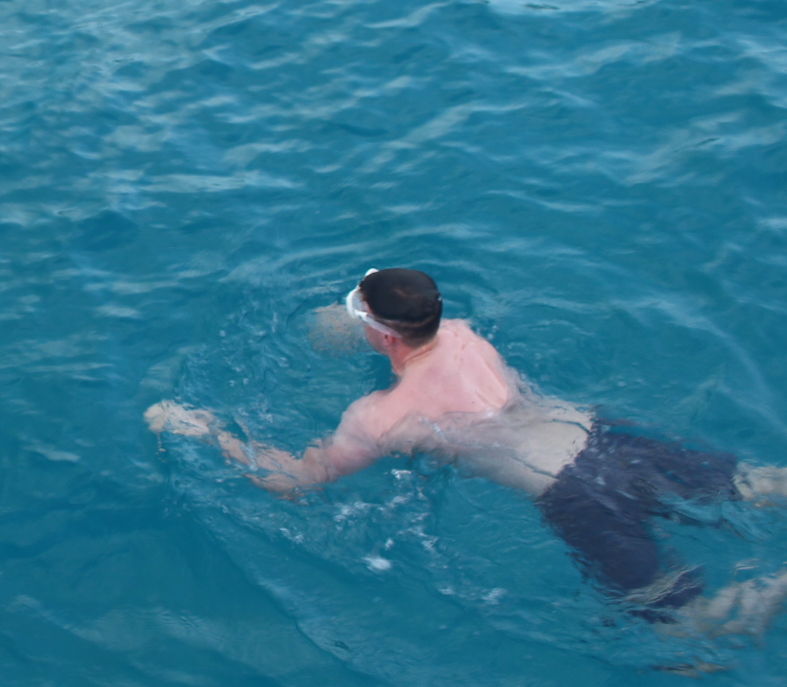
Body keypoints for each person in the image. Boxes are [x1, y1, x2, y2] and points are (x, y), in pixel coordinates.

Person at [146, 268, 787, 635]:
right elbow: (399, 326)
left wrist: (204, 429)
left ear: (382, 335)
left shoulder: (382, 416)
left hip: (575, 496)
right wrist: (361, 318)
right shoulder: (460, 333)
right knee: (758, 485)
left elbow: (295, 480)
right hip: (606, 438)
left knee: (686, 632)